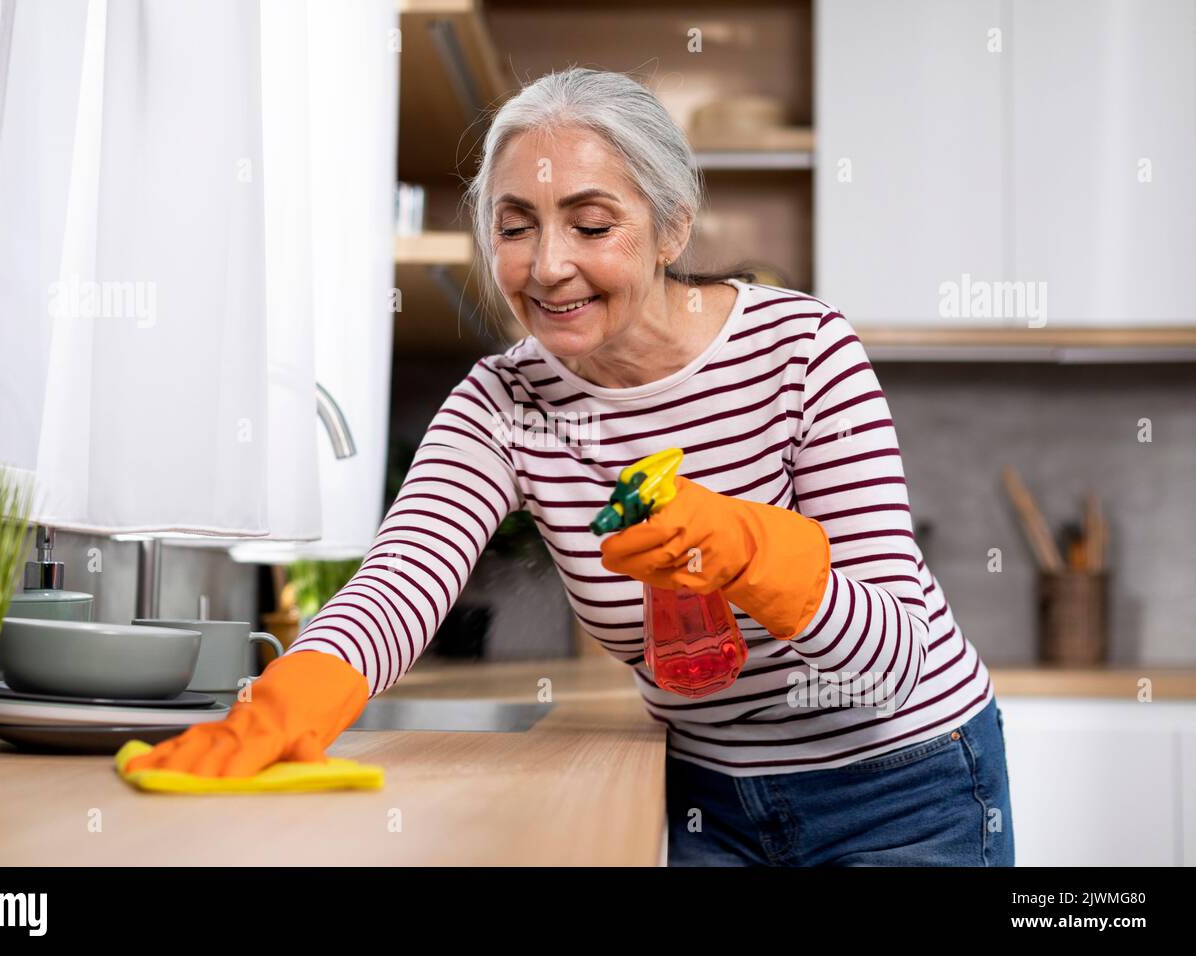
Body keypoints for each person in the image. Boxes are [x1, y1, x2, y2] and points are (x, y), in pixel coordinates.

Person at [128, 67, 1014, 867]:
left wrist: (750, 549)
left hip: (906, 785)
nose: (549, 267)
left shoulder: (802, 349)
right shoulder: (502, 400)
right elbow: (399, 585)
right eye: (515, 229)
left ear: (671, 228)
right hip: (708, 802)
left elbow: (893, 659)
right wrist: (289, 701)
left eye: (591, 224)